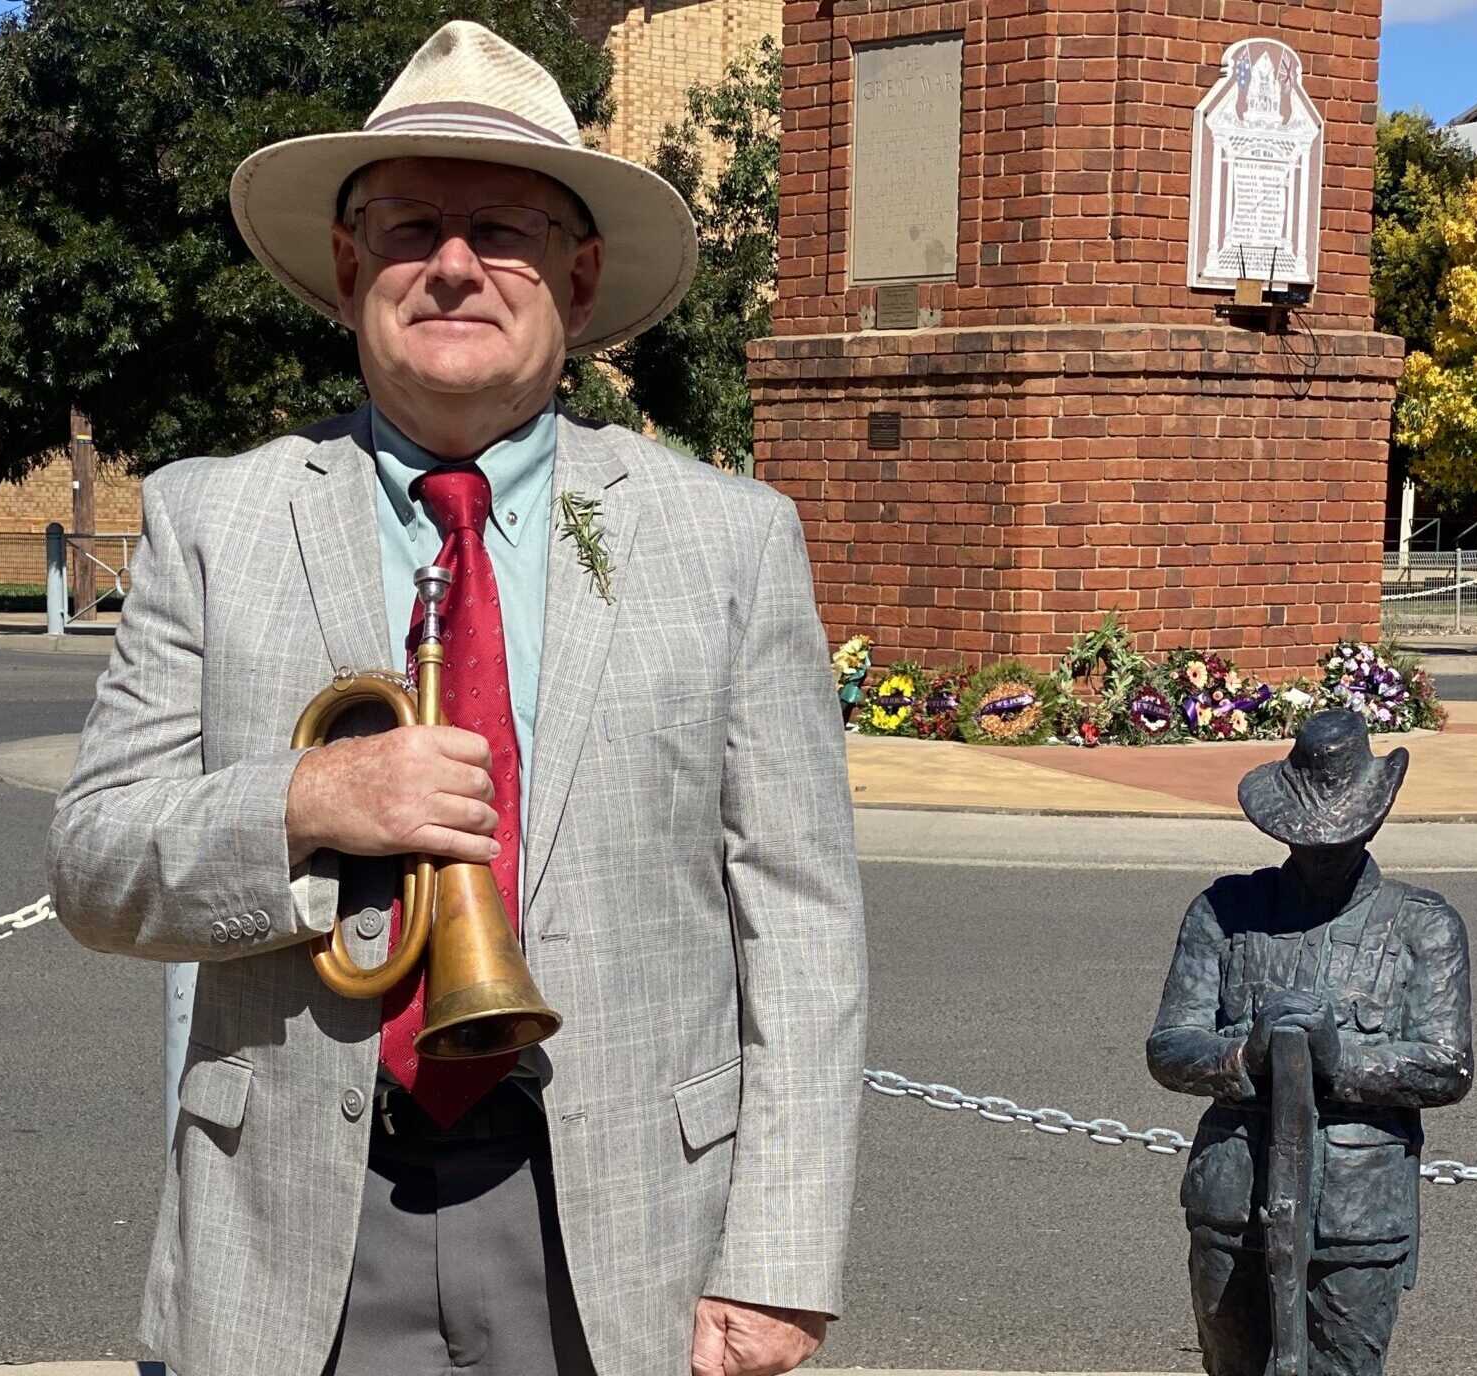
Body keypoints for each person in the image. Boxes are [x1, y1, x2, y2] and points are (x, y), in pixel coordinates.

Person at [47, 21, 867, 1376]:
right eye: (413, 224)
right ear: (349, 263)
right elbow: (93, 864)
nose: (453, 264)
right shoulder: (210, 520)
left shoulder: (732, 541)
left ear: (579, 275)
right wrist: (309, 801)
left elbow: (804, 924)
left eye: (503, 230)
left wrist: (777, 1263)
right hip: (296, 1225)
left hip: (624, 1235)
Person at [1147, 709, 1473, 1376]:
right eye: (1308, 838)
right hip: (1232, 1194)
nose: (1324, 850)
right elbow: (1170, 1045)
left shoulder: (1423, 926)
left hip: (1358, 1209)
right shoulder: (1226, 911)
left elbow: (1446, 1065)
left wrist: (1341, 1058)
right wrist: (1244, 1055)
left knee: (1342, 1367)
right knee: (1232, 1363)